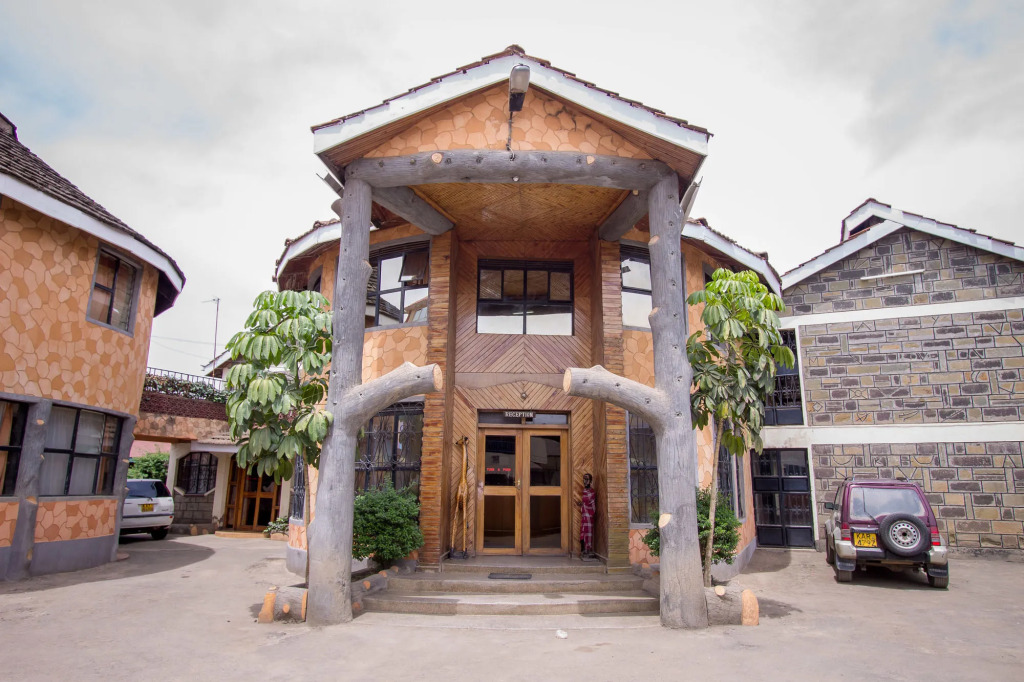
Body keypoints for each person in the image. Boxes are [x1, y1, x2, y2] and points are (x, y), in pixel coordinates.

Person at [579, 472, 596, 560]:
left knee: (588, 533)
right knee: (583, 532)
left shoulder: (592, 492)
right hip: (584, 516)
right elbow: (585, 502)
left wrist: (590, 513)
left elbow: (592, 505)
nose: (585, 481)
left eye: (587, 479)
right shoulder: (584, 491)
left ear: (590, 481)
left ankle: (588, 549)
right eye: (584, 479)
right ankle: (583, 550)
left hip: (589, 516)